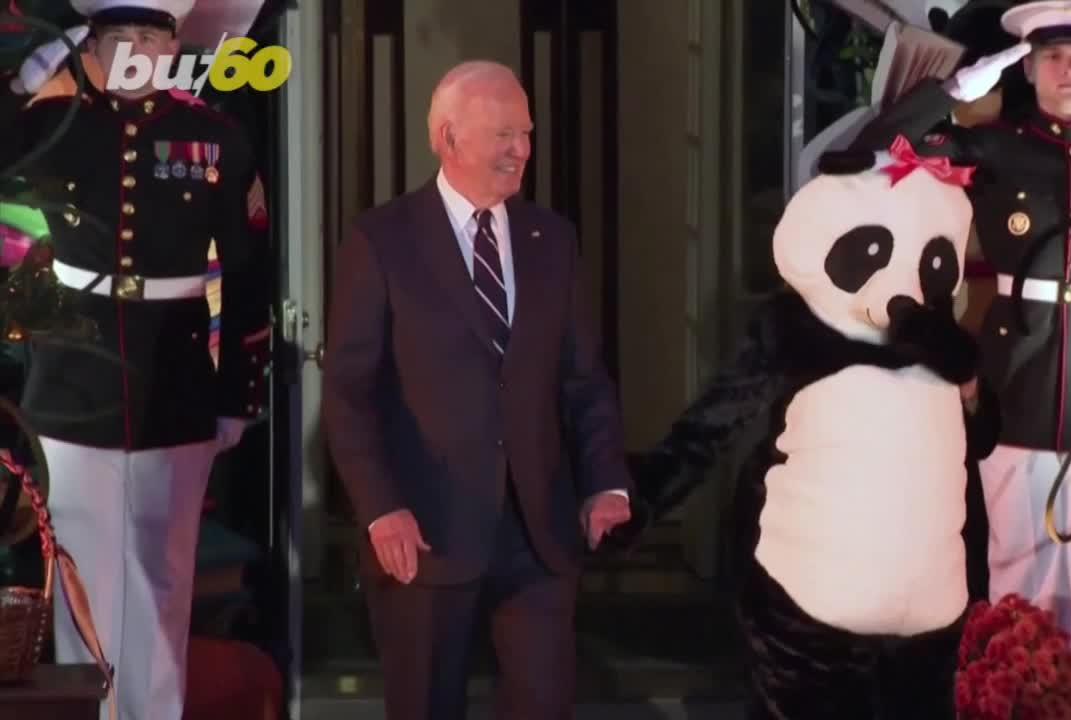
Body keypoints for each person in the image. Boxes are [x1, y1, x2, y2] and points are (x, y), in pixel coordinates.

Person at [850, 0, 1071, 640]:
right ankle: (1012, 695)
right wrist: (952, 90)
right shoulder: (995, 149)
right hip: (1017, 378)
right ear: (1026, 70)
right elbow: (881, 144)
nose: (1068, 70)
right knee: (1016, 566)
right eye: (1051, 57)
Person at [322, 60, 634, 719]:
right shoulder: (382, 239)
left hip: (538, 533)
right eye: (502, 135)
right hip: (425, 533)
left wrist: (606, 481)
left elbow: (583, 377)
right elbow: (350, 392)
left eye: (525, 132)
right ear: (448, 137)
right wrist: (381, 508)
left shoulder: (554, 239)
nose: (520, 150)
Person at [0, 0, 270, 717]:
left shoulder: (214, 135)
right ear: (93, 45)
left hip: (175, 379)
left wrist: (238, 393)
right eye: (121, 36)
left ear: (175, 45)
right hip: (72, 381)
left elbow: (248, 274)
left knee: (161, 580)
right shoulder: (55, 126)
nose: (137, 50)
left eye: (153, 36)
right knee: (82, 581)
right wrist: (27, 78)